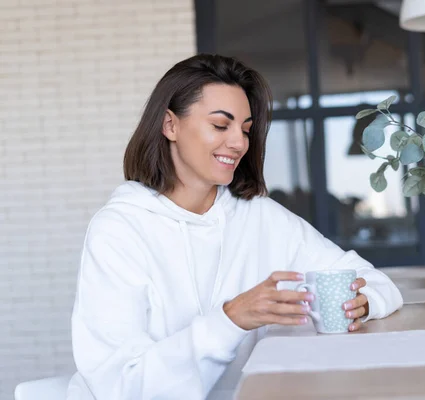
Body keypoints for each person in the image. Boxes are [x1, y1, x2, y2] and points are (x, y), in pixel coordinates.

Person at [66, 54, 403, 400]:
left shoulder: (259, 216)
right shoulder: (119, 230)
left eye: (245, 129)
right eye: (220, 125)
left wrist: (363, 302)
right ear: (170, 125)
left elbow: (376, 281)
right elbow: (121, 385)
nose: (239, 143)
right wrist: (230, 319)